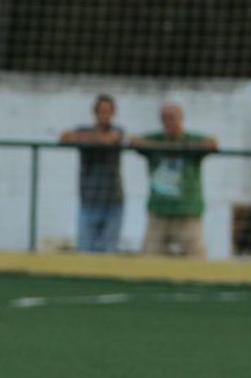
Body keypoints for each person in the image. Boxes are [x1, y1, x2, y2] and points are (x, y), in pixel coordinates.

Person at [130, 103, 218, 258]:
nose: (169, 122)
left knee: (196, 256)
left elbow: (213, 143)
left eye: (173, 118)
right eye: (165, 119)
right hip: (159, 211)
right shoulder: (156, 138)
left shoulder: (191, 139)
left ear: (181, 119)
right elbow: (133, 141)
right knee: (149, 256)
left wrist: (182, 147)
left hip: (187, 211)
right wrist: (163, 147)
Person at [59, 94, 125, 253]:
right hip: (88, 201)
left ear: (113, 112)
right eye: (101, 111)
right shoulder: (84, 129)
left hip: (113, 202)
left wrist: (86, 139)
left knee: (109, 251)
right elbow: (64, 138)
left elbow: (111, 140)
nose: (104, 115)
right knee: (85, 250)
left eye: (107, 111)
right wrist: (90, 138)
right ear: (95, 112)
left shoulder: (118, 130)